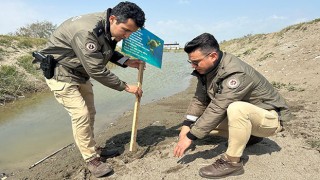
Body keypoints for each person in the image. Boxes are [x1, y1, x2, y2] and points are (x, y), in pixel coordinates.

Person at [39, 1, 145, 178]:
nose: (127, 36)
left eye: (131, 33)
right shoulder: (86, 31)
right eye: (125, 30)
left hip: (80, 72)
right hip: (61, 72)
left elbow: (104, 50)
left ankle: (93, 147)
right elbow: (96, 69)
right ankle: (91, 159)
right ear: (113, 19)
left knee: (90, 112)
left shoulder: (106, 27)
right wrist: (126, 86)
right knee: (81, 114)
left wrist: (126, 61)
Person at [173, 33, 291, 179]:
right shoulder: (207, 69)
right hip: (251, 117)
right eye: (190, 62)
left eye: (196, 62)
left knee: (236, 108)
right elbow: (200, 100)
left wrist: (190, 137)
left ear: (213, 56)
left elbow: (218, 107)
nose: (193, 66)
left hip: (270, 119)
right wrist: (187, 126)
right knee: (197, 125)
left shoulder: (235, 72)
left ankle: (232, 162)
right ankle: (250, 137)